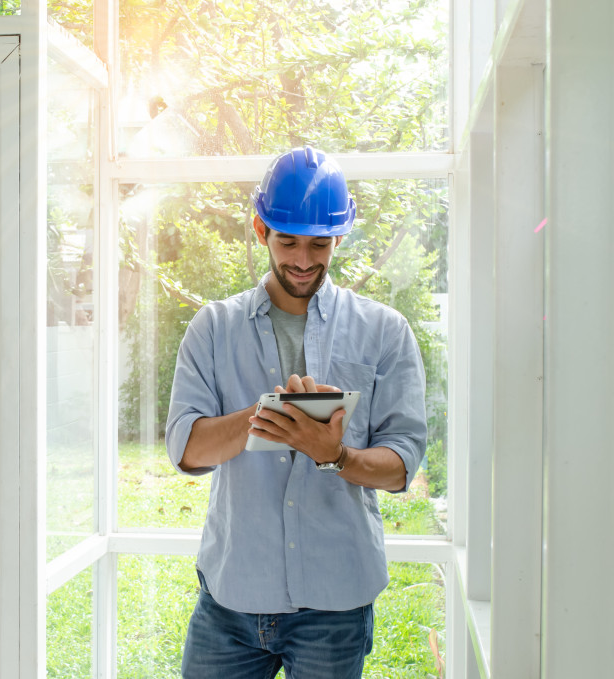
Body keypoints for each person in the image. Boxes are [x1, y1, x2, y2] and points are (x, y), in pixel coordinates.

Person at [166, 146, 428, 679]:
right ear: (261, 230)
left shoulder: (384, 330)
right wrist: (264, 420)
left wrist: (335, 455)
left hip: (336, 601)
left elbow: (402, 463)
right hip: (231, 597)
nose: (304, 260)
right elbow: (187, 449)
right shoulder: (213, 329)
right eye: (288, 241)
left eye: (319, 243)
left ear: (338, 239)